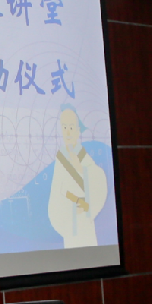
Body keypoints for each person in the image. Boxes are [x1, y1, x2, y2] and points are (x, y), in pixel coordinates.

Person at [46, 105, 107, 248]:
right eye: (64, 127)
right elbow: (56, 193)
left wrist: (81, 169)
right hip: (70, 223)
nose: (68, 132)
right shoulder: (61, 158)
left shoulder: (82, 154)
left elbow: (98, 180)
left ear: (78, 130)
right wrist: (67, 209)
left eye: (71, 127)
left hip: (85, 221)